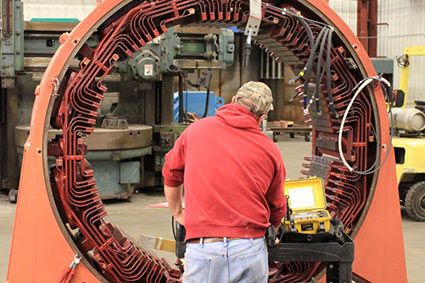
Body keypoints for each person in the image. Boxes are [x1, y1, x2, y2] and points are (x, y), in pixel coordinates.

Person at [162, 81, 286, 283]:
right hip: (248, 248)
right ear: (262, 117)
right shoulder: (268, 148)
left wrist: (178, 213)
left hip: (203, 248)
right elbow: (277, 206)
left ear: (233, 101)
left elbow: (171, 173)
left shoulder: (196, 131)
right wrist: (273, 228)